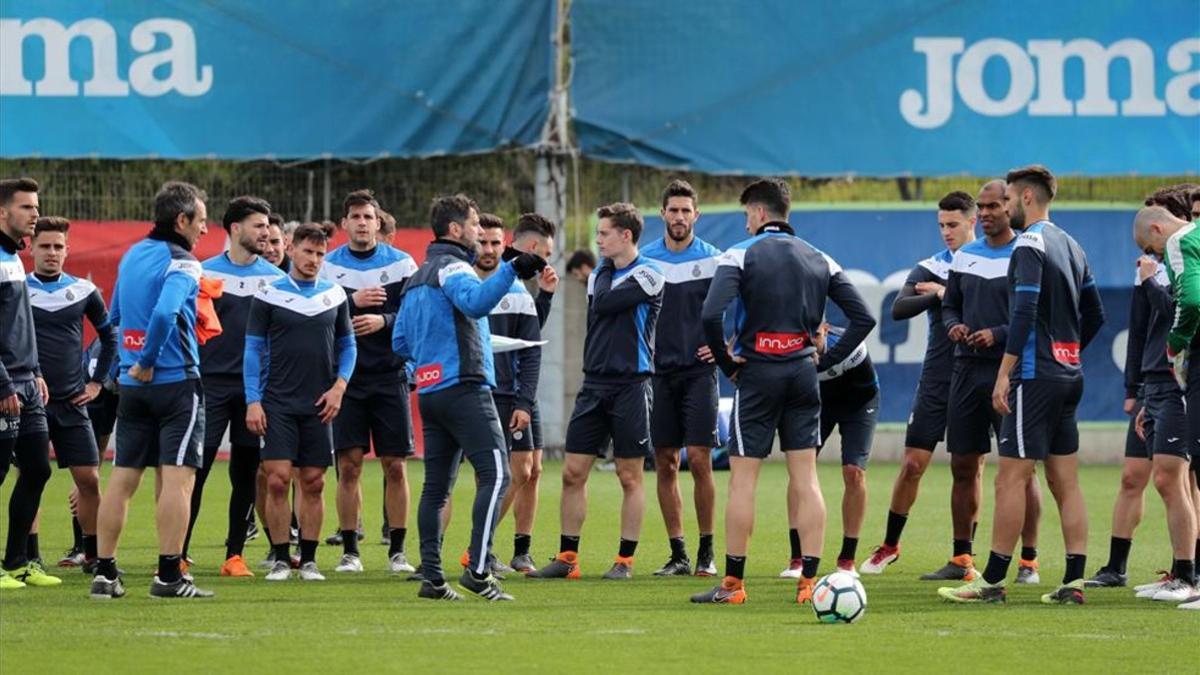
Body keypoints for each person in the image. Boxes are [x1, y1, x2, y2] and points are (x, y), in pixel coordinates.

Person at [690, 178, 874, 605]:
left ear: (757, 213)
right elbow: (863, 318)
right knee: (806, 478)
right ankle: (809, 584)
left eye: (745, 216)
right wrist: (822, 361)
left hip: (757, 375)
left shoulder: (740, 253)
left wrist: (726, 363)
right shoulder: (820, 258)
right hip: (801, 375)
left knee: (743, 481)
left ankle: (733, 585)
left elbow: (710, 314)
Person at [940, 164, 1105, 605]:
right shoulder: (1072, 244)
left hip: (1033, 376)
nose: (1005, 207)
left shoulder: (1029, 245)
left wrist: (1004, 372)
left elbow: (1024, 312)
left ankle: (991, 581)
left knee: (1009, 478)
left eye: (1008, 199)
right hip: (1069, 374)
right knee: (1065, 482)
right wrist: (1067, 352)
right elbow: (1097, 315)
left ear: (1027, 198)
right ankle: (1072, 582)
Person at [393, 194, 546, 601]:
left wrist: (428, 364)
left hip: (430, 393)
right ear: (456, 230)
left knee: (436, 489)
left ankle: (432, 580)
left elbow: (400, 341)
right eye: (476, 224)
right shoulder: (454, 268)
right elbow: (476, 303)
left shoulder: (417, 276)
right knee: (498, 476)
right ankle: (478, 572)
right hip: (465, 390)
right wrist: (513, 268)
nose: (481, 232)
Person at [90, 181, 213, 600]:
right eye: (200, 220)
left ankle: (105, 574)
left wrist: (128, 364)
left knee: (122, 480)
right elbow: (165, 312)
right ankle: (168, 577)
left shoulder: (132, 255)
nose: (205, 229)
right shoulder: (184, 263)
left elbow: (116, 317)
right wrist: (147, 361)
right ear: (181, 221)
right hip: (176, 383)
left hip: (133, 389)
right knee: (179, 482)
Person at [528, 203, 663, 582]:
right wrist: (602, 269)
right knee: (572, 473)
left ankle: (625, 561)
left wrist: (602, 269)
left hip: (632, 386)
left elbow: (605, 302)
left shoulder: (651, 275)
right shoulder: (600, 274)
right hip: (594, 384)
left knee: (629, 475)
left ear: (626, 235)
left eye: (604, 233)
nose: (597, 240)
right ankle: (568, 558)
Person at [931, 180, 1042, 583]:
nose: (990, 211)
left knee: (1021, 470)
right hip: (965, 368)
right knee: (962, 463)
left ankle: (1028, 560)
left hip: (1010, 372)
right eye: (984, 206)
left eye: (996, 205)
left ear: (1009, 207)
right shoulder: (965, 256)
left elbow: (1030, 312)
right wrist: (954, 325)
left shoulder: (1025, 252)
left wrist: (997, 333)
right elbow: (949, 305)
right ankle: (962, 558)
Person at [860, 192, 975, 576]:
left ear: (972, 222)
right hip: (937, 377)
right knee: (912, 464)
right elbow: (898, 308)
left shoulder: (992, 263)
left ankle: (967, 557)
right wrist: (937, 294)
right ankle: (890, 546)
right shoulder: (930, 266)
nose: (946, 232)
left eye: (953, 224)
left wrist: (945, 294)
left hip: (976, 377)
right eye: (941, 225)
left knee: (968, 468)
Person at [1088, 186, 1197, 590]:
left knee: (1177, 478)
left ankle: (1186, 572)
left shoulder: (1186, 257)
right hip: (1152, 382)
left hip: (1178, 380)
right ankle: (1116, 567)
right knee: (1134, 475)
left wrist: (1153, 283)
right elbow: (1139, 329)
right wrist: (1132, 387)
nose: (1148, 252)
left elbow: (1181, 313)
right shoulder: (1153, 263)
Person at [247, 222, 357, 582]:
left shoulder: (335, 295)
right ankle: (281, 558)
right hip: (276, 402)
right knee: (277, 480)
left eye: (320, 254)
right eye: (307, 252)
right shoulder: (267, 294)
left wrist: (339, 387)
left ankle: (308, 560)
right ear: (291, 249)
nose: (313, 259)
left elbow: (348, 346)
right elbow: (252, 350)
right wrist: (253, 400)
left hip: (319, 403)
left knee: (314, 482)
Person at [320, 190, 418, 575]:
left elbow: (414, 314)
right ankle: (350, 551)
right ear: (344, 224)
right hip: (347, 380)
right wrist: (351, 301)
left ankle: (397, 552)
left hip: (390, 376)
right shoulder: (328, 267)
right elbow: (317, 316)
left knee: (395, 465)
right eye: (355, 216)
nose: (362, 222)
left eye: (368, 216)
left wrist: (385, 321)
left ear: (379, 222)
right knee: (350, 465)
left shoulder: (402, 264)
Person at [193, 196, 284, 578]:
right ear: (234, 229)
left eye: (267, 226)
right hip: (210, 386)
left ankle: (234, 555)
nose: (266, 232)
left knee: (246, 473)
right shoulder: (203, 272)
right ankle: (177, 553)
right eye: (258, 225)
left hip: (254, 393)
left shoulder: (277, 279)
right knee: (194, 472)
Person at [639, 179, 722, 577]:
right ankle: (679, 553)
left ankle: (707, 551)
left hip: (699, 374)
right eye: (673, 210)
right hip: (658, 376)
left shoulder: (714, 260)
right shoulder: (644, 259)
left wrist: (726, 344)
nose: (679, 217)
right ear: (662, 214)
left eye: (686, 210)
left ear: (696, 216)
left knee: (701, 460)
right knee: (665, 462)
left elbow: (742, 305)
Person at [26, 216, 118, 575]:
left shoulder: (83, 290)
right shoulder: (17, 288)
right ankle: (29, 554)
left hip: (72, 402)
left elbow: (110, 337)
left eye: (58, 246)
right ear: (31, 248)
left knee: (89, 479)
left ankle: (93, 554)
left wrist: (96, 383)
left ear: (68, 250)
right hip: (31, 401)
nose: (52, 252)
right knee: (32, 477)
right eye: (45, 246)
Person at [475, 212, 558, 574]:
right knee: (514, 471)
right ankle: (480, 546)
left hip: (522, 386)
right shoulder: (492, 276)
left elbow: (529, 332)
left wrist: (547, 297)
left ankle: (521, 550)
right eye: (547, 253)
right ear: (534, 247)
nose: (548, 260)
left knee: (533, 469)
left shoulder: (524, 284)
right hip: (502, 389)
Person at [1131, 203, 1200, 608]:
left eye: (1151, 249)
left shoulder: (1179, 240)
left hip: (1191, 367)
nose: (1155, 257)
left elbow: (1190, 301)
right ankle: (1185, 574)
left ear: (1157, 228)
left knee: (1178, 478)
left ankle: (1188, 575)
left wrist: (1176, 342)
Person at [0, 177, 56, 590]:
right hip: (3, 386)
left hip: (27, 383)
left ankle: (17, 562)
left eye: (35, 206)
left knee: (37, 469)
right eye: (26, 207)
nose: (35, 213)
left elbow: (20, 325)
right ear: (3, 212)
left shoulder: (14, 257)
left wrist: (35, 371)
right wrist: (3, 385)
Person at [789, 322, 878, 577]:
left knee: (854, 472)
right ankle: (797, 558)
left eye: (816, 335)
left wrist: (820, 365)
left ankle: (847, 559)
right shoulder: (794, 353)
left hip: (860, 402)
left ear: (826, 331)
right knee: (799, 471)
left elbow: (867, 388)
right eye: (806, 337)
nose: (811, 342)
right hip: (818, 406)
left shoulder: (852, 347)